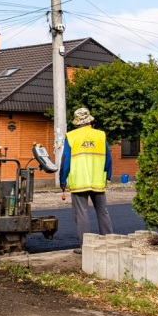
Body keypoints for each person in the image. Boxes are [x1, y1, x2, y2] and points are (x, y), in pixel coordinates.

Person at [59, 108, 113, 254]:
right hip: (97, 180)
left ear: (77, 122)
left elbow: (65, 161)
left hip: (79, 181)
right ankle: (110, 244)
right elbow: (108, 157)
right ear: (89, 120)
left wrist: (62, 179)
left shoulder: (71, 136)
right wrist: (108, 175)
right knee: (103, 213)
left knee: (81, 214)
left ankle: (86, 248)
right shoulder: (100, 135)